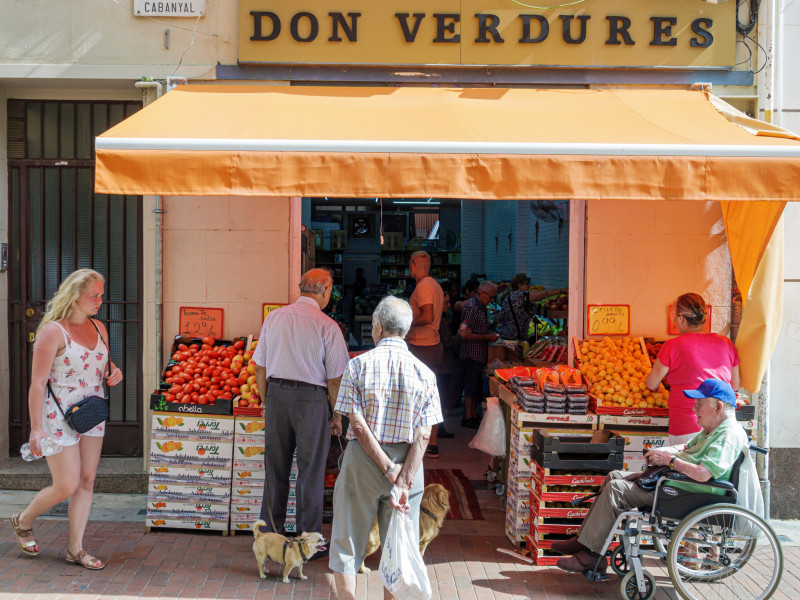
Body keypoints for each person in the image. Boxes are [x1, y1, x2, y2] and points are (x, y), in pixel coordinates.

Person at [554, 378, 748, 573]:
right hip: (677, 485)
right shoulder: (712, 430)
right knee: (614, 476)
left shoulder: (727, 436)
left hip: (684, 492)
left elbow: (704, 474)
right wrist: (663, 451)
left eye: (700, 403)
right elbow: (686, 447)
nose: (695, 408)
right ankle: (585, 542)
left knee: (616, 490)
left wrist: (670, 461)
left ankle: (591, 555)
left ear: (719, 407)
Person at [329, 296, 442, 599]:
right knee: (398, 546)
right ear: (405, 330)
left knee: (347, 540)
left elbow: (357, 425)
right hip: (409, 464)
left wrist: (387, 469)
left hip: (363, 462)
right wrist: (402, 477)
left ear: (376, 327)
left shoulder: (357, 366)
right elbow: (423, 435)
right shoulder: (426, 374)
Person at [12, 269, 123, 569]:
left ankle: (76, 549)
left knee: (87, 480)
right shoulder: (52, 331)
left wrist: (115, 373)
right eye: (94, 295)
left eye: (101, 294)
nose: (100, 300)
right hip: (57, 415)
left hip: (90, 414)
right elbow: (37, 383)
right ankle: (24, 520)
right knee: (67, 484)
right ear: (75, 295)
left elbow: (102, 367)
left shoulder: (99, 327)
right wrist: (36, 429)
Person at [252, 268, 350, 544]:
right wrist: (336, 416)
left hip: (277, 397)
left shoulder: (274, 318)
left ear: (301, 288)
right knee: (310, 472)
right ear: (326, 290)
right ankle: (308, 540)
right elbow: (334, 380)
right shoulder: (327, 326)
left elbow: (260, 367)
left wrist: (265, 400)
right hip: (311, 400)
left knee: (275, 469)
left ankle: (270, 536)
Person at [645, 293, 740, 446]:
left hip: (688, 424)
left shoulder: (673, 346)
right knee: (716, 469)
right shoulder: (726, 343)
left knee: (686, 468)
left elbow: (651, 383)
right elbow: (734, 385)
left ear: (681, 318)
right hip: (722, 423)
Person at [405, 251, 445, 458]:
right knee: (431, 395)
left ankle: (425, 443)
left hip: (423, 347)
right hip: (432, 345)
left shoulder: (422, 286)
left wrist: (406, 322)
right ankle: (431, 443)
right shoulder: (435, 285)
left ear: (413, 265)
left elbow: (428, 316)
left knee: (420, 397)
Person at [458, 280, 499, 429]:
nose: (492, 300)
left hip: (479, 355)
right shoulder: (472, 307)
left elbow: (478, 329)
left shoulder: (482, 308)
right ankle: (468, 416)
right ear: (481, 293)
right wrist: (487, 337)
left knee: (475, 386)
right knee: (470, 387)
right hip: (471, 355)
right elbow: (463, 333)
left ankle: (473, 415)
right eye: (491, 297)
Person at [496, 273, 566, 341]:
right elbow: (544, 294)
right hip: (513, 338)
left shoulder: (508, 297)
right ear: (519, 285)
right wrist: (561, 290)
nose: (529, 286)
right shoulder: (522, 295)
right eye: (527, 283)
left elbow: (500, 316)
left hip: (502, 335)